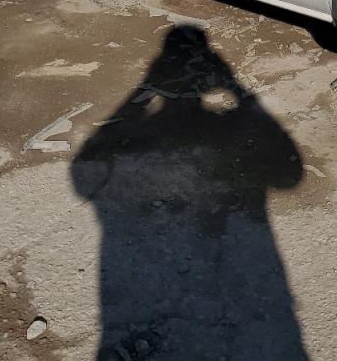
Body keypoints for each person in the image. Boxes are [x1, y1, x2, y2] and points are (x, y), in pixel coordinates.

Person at [72, 26, 307, 359]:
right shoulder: (222, 127)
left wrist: (143, 89)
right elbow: (290, 174)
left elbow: (85, 175)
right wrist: (236, 89)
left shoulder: (162, 131)